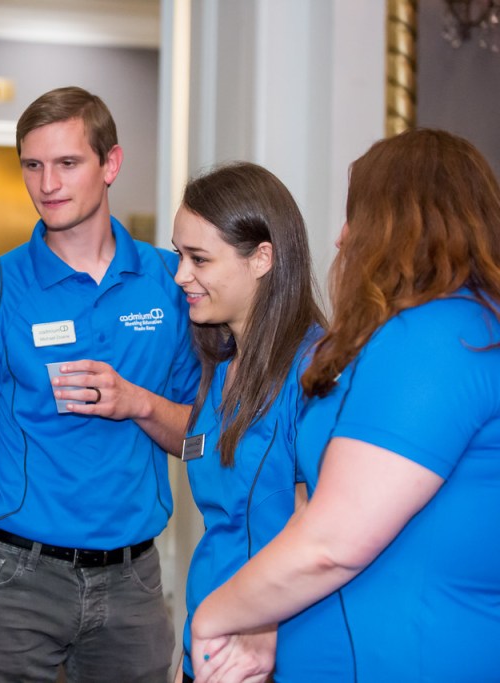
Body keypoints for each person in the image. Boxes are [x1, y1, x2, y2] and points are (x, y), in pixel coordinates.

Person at [0, 86, 200, 683]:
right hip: (11, 578)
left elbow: (199, 437)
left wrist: (137, 403)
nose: (48, 184)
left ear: (110, 164)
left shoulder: (172, 284)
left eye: (68, 163)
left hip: (134, 582)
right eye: (33, 165)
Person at [190, 128, 500, 683]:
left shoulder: (438, 336)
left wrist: (215, 617)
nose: (341, 238)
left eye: (355, 216)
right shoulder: (451, 330)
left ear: (395, 224)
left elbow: (330, 541)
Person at [171, 162, 325, 683]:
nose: (180, 276)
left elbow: (323, 526)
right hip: (211, 642)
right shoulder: (218, 369)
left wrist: (264, 624)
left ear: (262, 258)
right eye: (179, 256)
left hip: (279, 650)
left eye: (199, 259)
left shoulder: (317, 371)